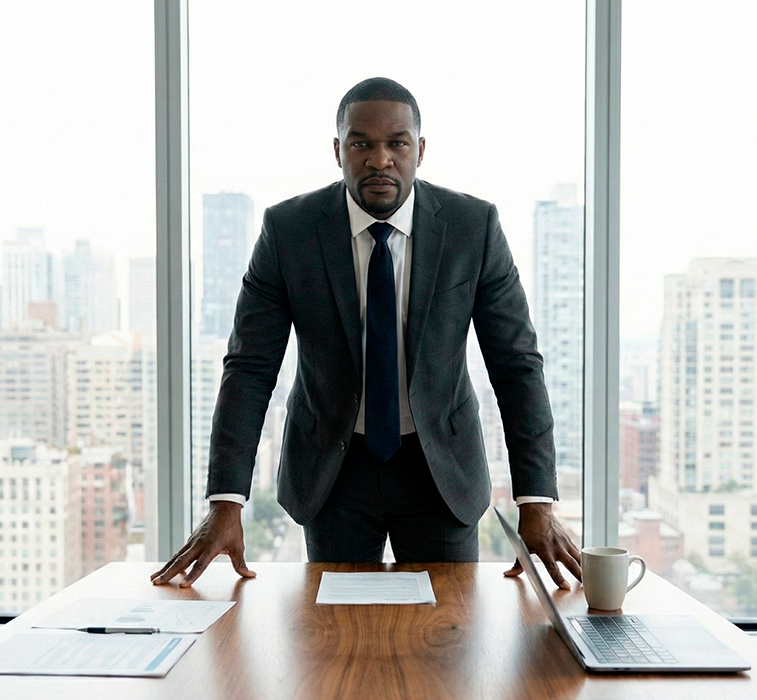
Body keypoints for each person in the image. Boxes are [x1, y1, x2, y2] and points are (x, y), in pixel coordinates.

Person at [151, 77, 581, 589]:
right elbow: (249, 369)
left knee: (449, 639)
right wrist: (226, 502)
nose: (380, 160)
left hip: (439, 470)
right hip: (333, 471)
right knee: (333, 645)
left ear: (419, 150)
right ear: (338, 150)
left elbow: (516, 365)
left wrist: (536, 500)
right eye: (362, 144)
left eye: (397, 143)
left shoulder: (473, 226)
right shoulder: (289, 230)